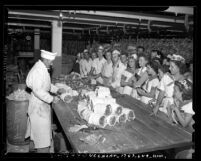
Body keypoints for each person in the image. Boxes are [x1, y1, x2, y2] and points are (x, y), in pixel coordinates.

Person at [25, 50, 66, 153]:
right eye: (51, 61)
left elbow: (46, 85)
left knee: (36, 133)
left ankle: (33, 148)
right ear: (46, 60)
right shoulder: (38, 70)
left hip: (41, 105)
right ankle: (42, 150)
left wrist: (57, 89)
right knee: (42, 138)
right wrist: (52, 99)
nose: (52, 64)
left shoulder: (43, 68)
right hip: (38, 107)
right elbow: (38, 90)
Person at [170, 79, 194, 159]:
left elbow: (184, 124)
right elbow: (174, 120)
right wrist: (170, 109)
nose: (173, 91)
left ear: (182, 93)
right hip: (182, 135)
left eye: (175, 90)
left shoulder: (190, 105)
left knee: (181, 155)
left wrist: (176, 110)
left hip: (190, 139)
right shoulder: (180, 102)